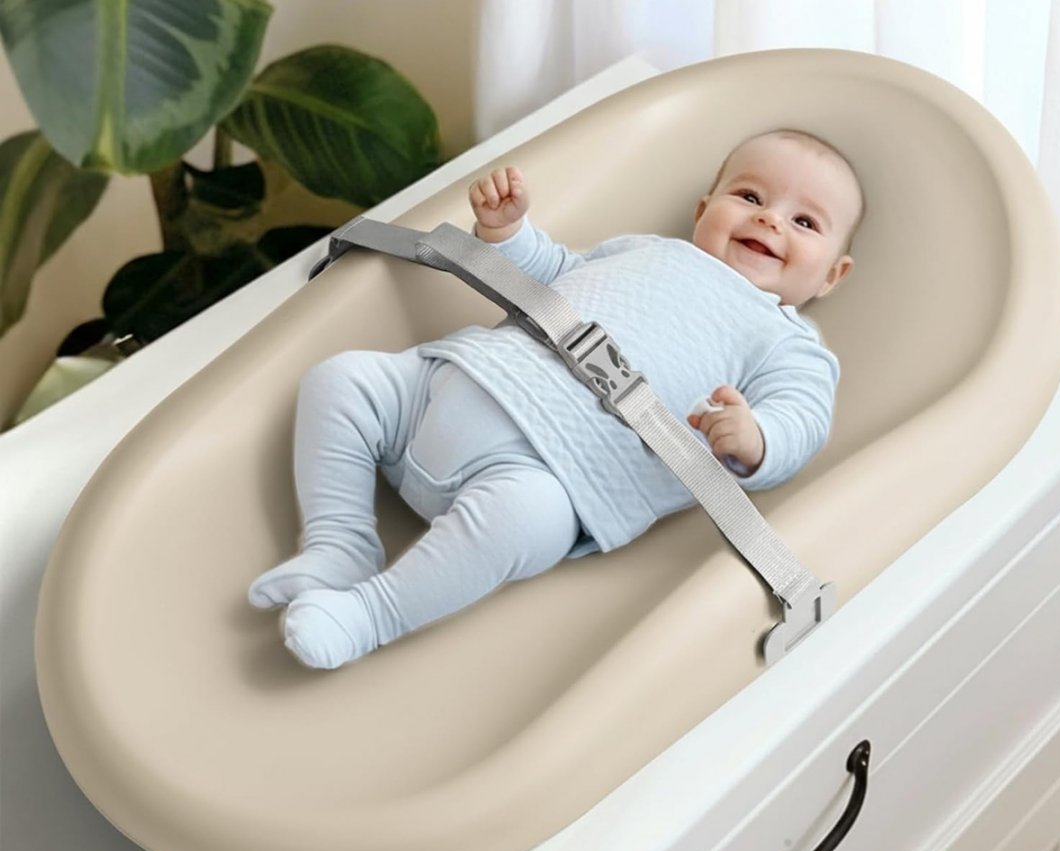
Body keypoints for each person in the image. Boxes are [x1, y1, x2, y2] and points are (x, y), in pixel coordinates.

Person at [248, 128, 865, 670]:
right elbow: (554, 272)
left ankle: (370, 614)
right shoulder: (646, 250)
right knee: (341, 379)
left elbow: (802, 419)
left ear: (834, 275)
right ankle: (338, 546)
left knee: (524, 521)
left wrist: (757, 438)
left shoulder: (788, 344)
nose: (770, 220)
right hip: (454, 382)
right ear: (704, 209)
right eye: (750, 197)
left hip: (553, 476)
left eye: (805, 223)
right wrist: (507, 232)